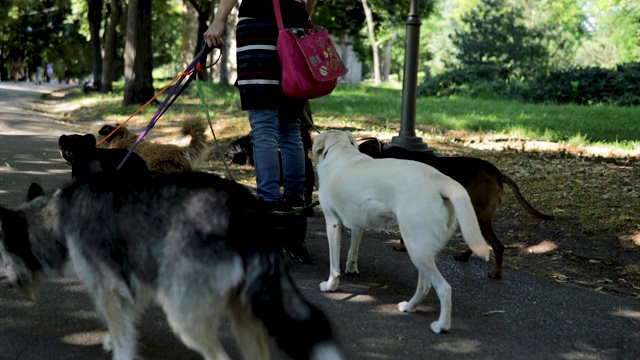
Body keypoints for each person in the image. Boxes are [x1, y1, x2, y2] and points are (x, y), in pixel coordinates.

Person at [205, 0, 316, 263]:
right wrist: (302, 16)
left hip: (259, 24)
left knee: (264, 127)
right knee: (290, 128)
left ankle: (269, 211)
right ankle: (294, 212)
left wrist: (220, 19)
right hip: (295, 26)